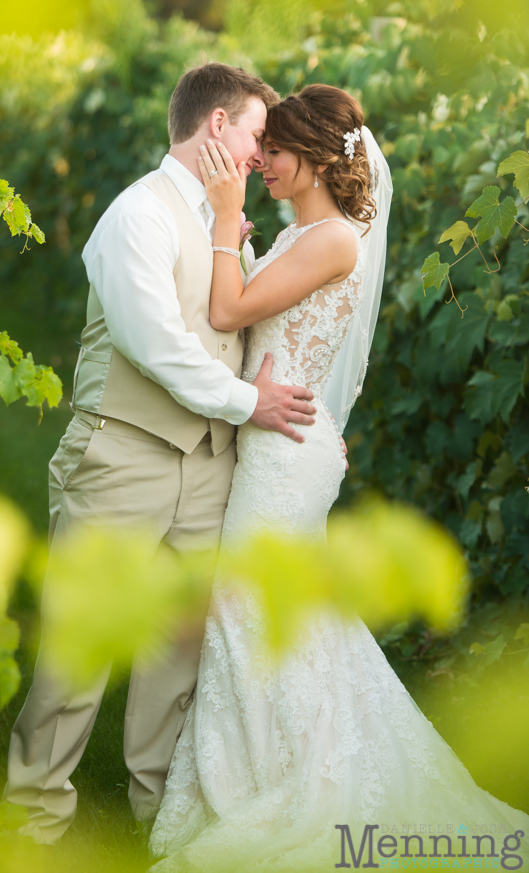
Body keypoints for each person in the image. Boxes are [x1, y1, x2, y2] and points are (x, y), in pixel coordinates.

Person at [148, 84, 529, 871]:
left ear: (319, 157)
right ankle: (280, 767)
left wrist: (223, 222)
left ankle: (298, 783)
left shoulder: (334, 241)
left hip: (285, 453)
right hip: (283, 438)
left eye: (276, 154)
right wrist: (244, 241)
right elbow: (260, 318)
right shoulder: (307, 233)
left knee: (256, 608)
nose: (261, 166)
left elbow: (228, 315)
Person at [3, 63, 318, 844]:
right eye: (253, 133)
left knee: (177, 650)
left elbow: (229, 319)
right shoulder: (133, 217)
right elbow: (155, 346)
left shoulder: (224, 223)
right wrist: (252, 404)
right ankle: (31, 820)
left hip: (208, 467)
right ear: (216, 126)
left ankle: (157, 813)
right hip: (123, 456)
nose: (259, 150)